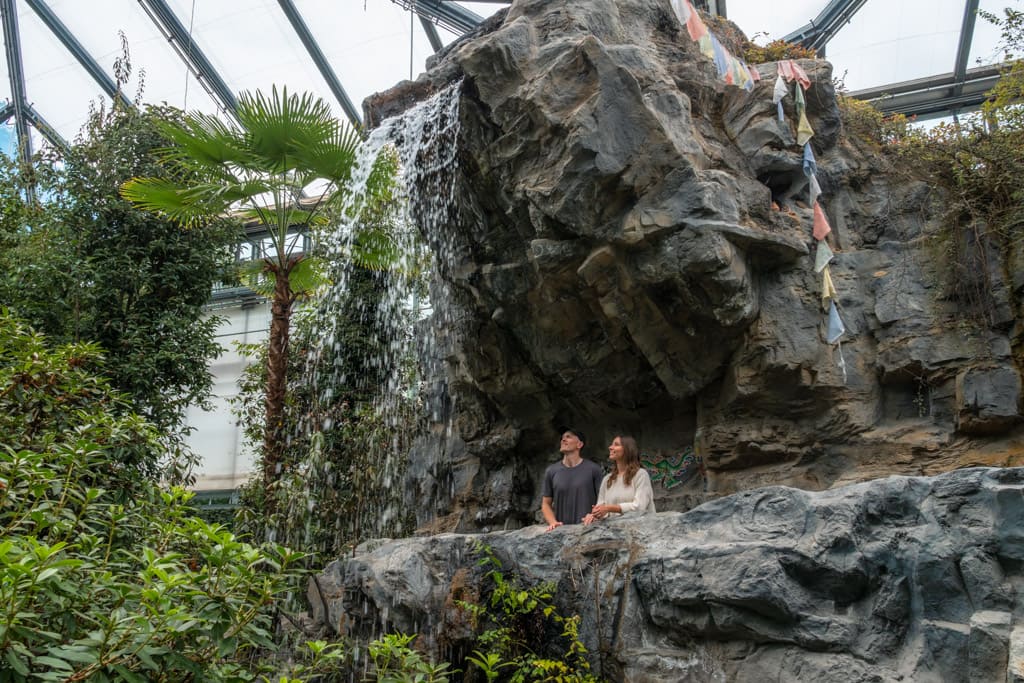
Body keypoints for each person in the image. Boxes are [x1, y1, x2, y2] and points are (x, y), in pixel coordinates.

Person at [541, 428, 604, 531]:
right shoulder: (551, 471)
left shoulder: (594, 469)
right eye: (562, 438)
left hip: (587, 529)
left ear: (579, 444)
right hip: (561, 532)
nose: (563, 440)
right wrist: (553, 522)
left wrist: (594, 515)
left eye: (568, 437)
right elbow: (545, 503)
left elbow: (603, 500)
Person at [583, 435, 655, 524]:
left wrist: (609, 508)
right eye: (611, 444)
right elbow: (601, 508)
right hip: (615, 533)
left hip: (641, 532)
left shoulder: (641, 475)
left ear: (627, 450)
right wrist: (594, 515)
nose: (610, 447)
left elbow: (640, 507)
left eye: (616, 444)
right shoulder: (607, 479)